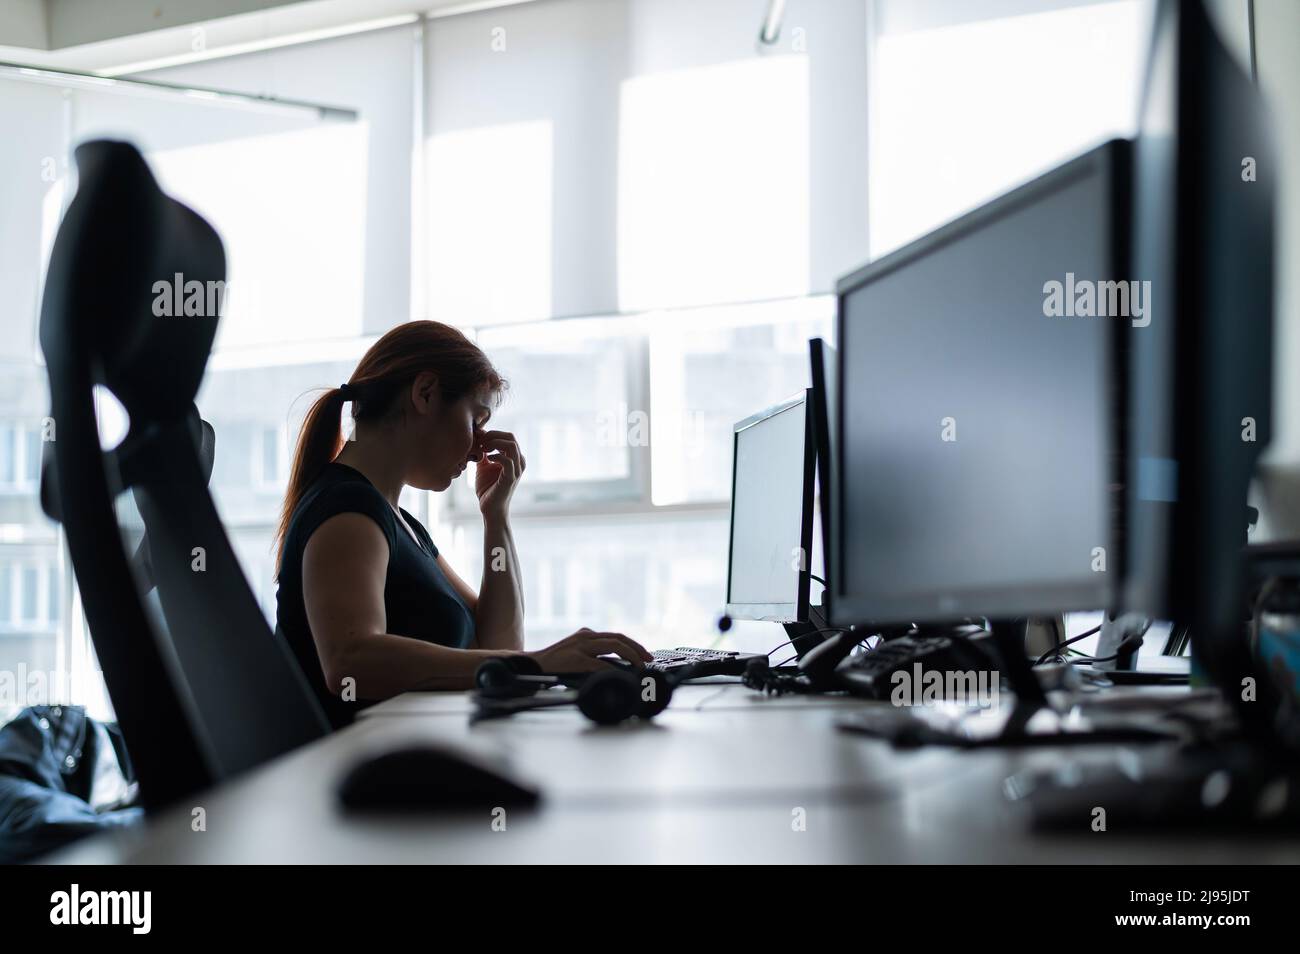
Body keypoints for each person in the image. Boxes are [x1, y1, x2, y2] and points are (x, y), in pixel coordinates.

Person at [273, 320, 651, 727]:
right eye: (476, 419)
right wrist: (537, 663)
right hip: (350, 775)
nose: (478, 448)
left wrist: (496, 516)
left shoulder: (403, 525)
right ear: (425, 394)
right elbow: (350, 663)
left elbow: (499, 643)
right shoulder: (347, 509)